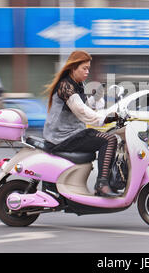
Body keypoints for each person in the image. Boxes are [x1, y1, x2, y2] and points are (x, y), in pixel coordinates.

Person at [43, 50, 119, 197]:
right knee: (109, 140)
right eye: (84, 68)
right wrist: (104, 119)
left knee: (108, 136)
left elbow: (84, 106)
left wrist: (96, 98)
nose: (87, 72)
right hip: (62, 137)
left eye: (88, 69)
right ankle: (102, 184)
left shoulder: (78, 84)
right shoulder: (65, 86)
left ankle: (108, 181)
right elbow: (80, 110)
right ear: (73, 68)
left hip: (73, 133)